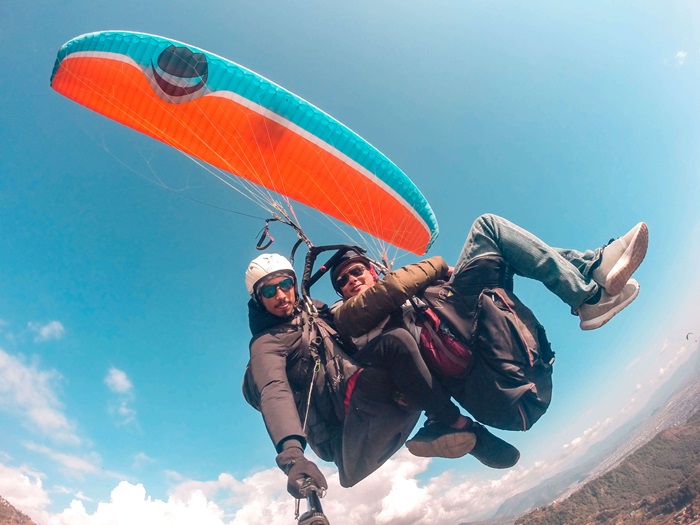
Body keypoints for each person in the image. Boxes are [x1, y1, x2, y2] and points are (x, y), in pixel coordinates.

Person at [330, 214, 648, 457]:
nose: (351, 280)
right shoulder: (349, 317)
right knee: (488, 228)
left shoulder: (416, 297)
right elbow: (393, 301)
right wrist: (438, 268)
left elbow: (402, 292)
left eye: (357, 271)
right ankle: (590, 290)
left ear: (372, 272)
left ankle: (594, 267)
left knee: (500, 241)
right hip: (461, 349)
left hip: (465, 329)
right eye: (343, 281)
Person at [241, 252, 513, 500]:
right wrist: (292, 456)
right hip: (346, 425)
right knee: (395, 344)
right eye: (269, 290)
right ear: (258, 298)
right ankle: (461, 425)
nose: (280, 295)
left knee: (415, 330)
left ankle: (445, 417)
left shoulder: (315, 311)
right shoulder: (266, 344)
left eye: (285, 285)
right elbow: (273, 389)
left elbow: (369, 307)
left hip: (366, 396)